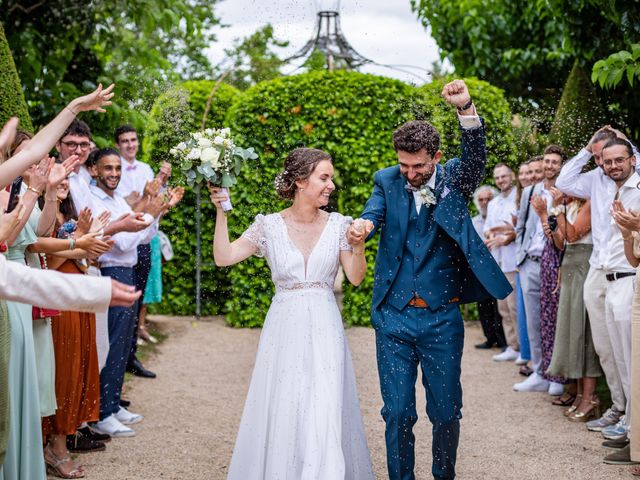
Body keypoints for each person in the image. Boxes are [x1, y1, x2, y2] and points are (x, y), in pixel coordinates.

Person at [352, 79, 512, 480]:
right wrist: (363, 227)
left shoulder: (455, 177)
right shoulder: (386, 180)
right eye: (404, 165)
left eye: (418, 166)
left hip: (442, 319)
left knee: (445, 411)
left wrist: (466, 110)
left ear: (436, 157)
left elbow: (476, 157)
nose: (410, 174)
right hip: (394, 318)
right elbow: (373, 213)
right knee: (398, 412)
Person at [214, 147, 375, 479]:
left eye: (331, 178)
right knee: (286, 400)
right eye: (324, 177)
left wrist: (358, 245)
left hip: (325, 323)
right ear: (301, 181)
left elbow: (356, 278)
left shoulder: (340, 225)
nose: (331, 185)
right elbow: (224, 257)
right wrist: (222, 213)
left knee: (325, 401)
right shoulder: (268, 226)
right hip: (283, 325)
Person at [555, 127, 640, 433]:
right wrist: (587, 148)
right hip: (596, 270)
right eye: (605, 159)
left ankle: (633, 416)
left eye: (619, 158)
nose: (612, 165)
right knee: (605, 347)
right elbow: (564, 181)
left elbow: (631, 161)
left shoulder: (635, 181)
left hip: (626, 272)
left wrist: (625, 143)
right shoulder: (595, 179)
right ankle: (618, 406)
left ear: (629, 157)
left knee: (628, 349)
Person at [544, 188, 601, 419]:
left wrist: (557, 208)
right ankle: (579, 394)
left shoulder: (589, 203)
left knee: (583, 330)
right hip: (569, 266)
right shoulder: (572, 206)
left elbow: (574, 234)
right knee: (572, 332)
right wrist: (556, 223)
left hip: (583, 267)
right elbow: (561, 243)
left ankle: (590, 396)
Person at [484, 163, 520, 362]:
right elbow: (488, 227)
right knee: (503, 308)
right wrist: (490, 233)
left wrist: (507, 234)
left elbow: (519, 228)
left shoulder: (519, 197)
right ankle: (512, 346)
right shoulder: (494, 203)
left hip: (513, 261)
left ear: (512, 176)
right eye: (497, 177)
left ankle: (524, 349)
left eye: (504, 176)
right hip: (497, 262)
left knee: (515, 308)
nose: (500, 180)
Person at [471, 186, 506, 350]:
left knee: (500, 305)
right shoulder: (474, 222)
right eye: (481, 200)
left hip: (501, 266)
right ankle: (489, 337)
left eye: (488, 199)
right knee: (483, 304)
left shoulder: (502, 220)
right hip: (482, 269)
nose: (485, 203)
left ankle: (503, 340)